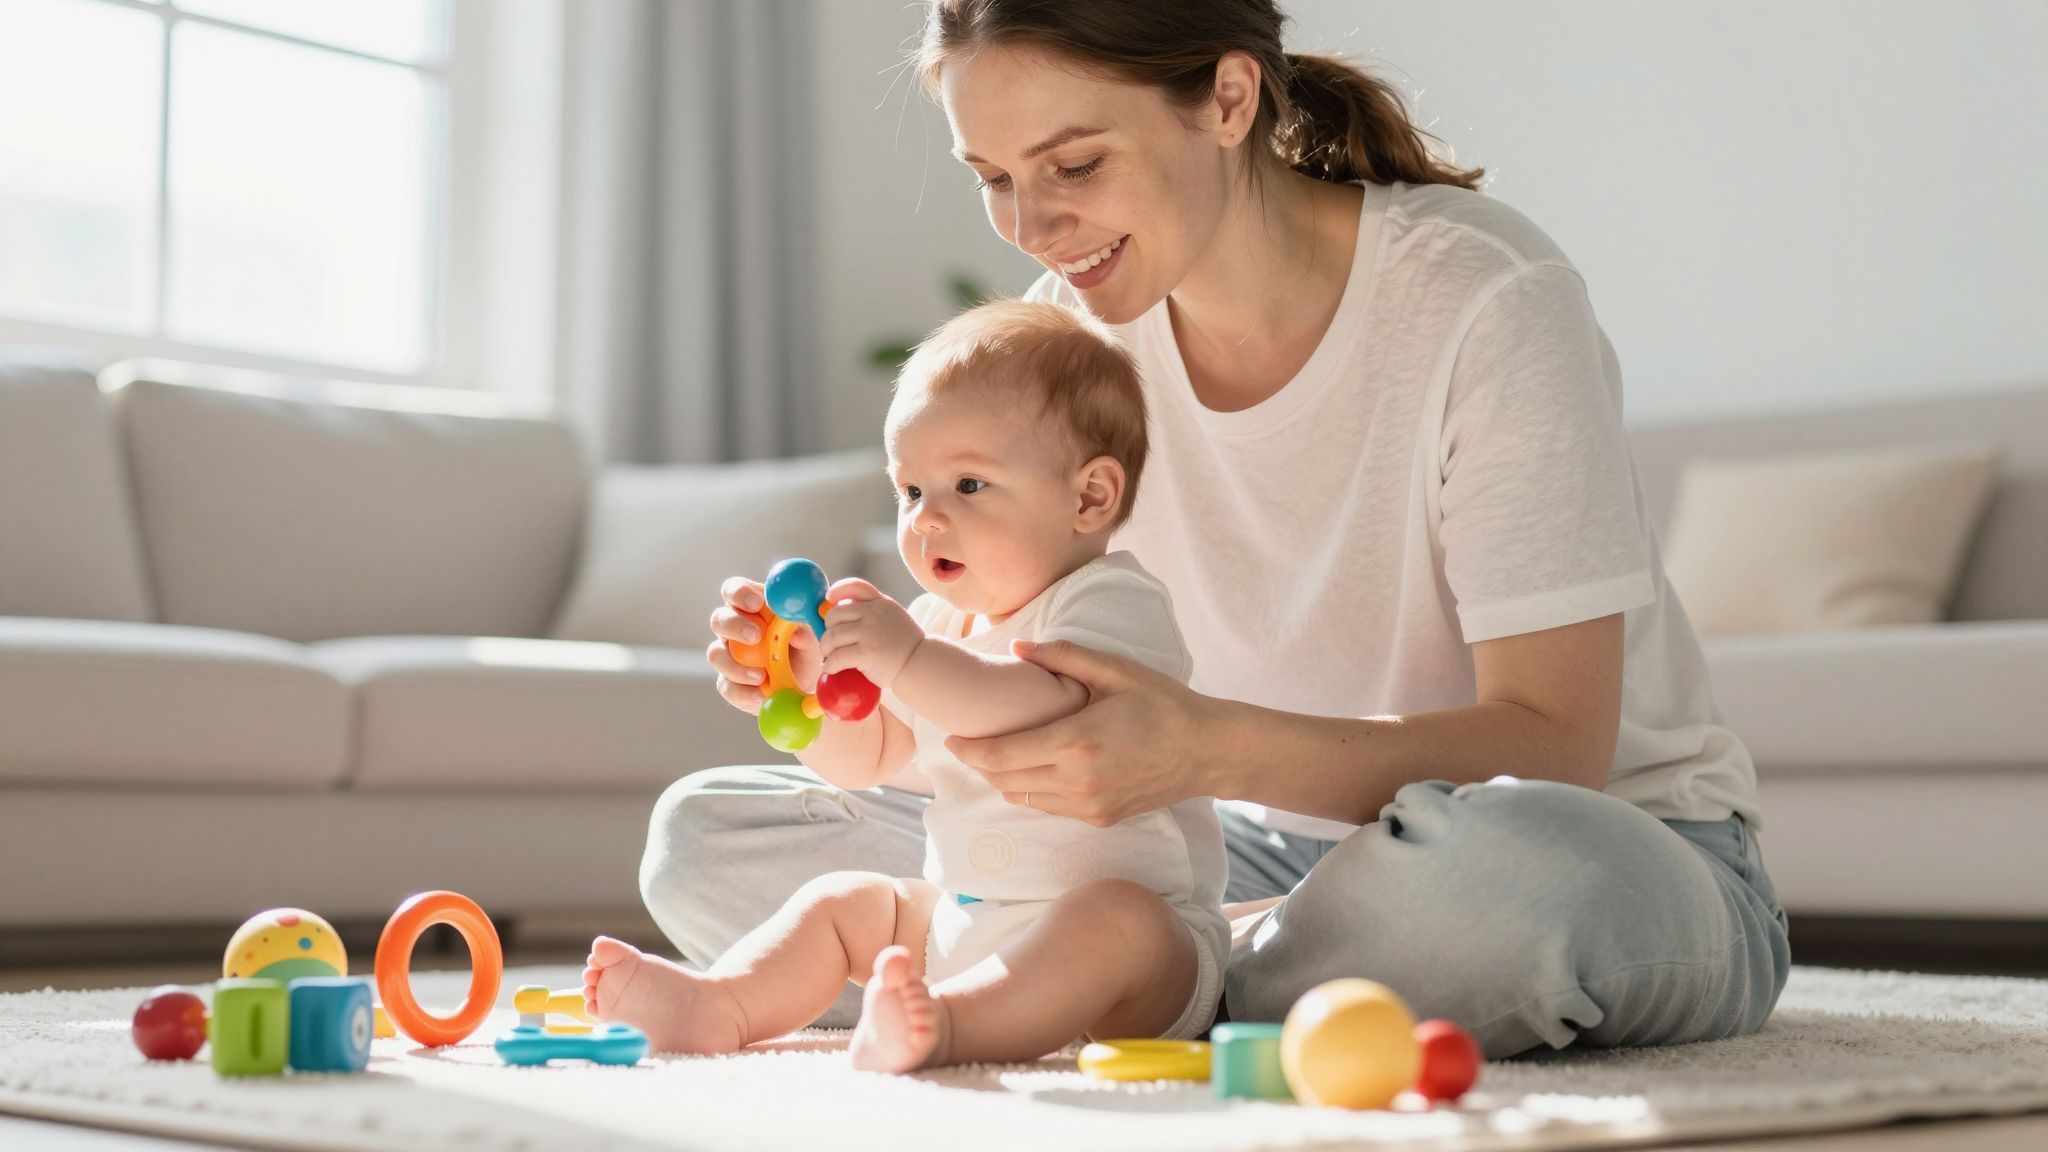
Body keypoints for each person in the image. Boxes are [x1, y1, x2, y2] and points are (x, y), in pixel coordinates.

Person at [648, 0, 1791, 1058]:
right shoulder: (1070, 352)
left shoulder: (1483, 298)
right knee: (708, 841)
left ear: (1230, 100)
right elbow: (977, 685)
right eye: (992, 177)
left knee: (1504, 888)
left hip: (1583, 841)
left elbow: (1555, 752)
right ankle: (1156, 972)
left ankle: (1145, 978)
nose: (1033, 226)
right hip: (1207, 850)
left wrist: (1199, 747)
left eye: (1075, 165)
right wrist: (839, 681)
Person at [587, 301, 1228, 1070]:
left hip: (1145, 960)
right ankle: (721, 1004)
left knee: (1114, 920)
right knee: (851, 903)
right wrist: (805, 687)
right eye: (911, 491)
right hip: (965, 920)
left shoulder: (1110, 599)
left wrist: (907, 661)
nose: (925, 520)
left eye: (967, 484)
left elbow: (1050, 709)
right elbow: (873, 756)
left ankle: (950, 1029)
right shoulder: (937, 623)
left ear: (1089, 497)